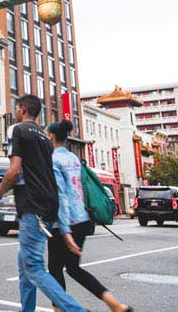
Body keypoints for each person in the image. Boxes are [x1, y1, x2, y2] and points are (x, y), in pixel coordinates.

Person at [0, 95, 84, 312]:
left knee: (33, 266)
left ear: (22, 109)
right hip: (49, 205)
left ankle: (74, 309)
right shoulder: (44, 137)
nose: (15, 112)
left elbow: (14, 171)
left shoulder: (17, 130)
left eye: (16, 108)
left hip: (33, 205)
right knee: (25, 267)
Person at [46, 120, 131, 312]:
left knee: (55, 269)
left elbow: (61, 196)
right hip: (82, 218)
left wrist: (65, 231)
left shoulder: (53, 160)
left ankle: (60, 310)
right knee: (73, 268)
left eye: (46, 134)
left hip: (64, 223)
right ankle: (115, 305)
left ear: (51, 136)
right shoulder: (74, 159)